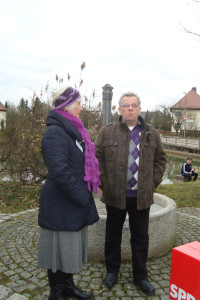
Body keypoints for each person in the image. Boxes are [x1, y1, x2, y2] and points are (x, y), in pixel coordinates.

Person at [95, 91, 166, 296]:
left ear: (139, 108)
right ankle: (112, 271)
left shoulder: (151, 133)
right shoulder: (106, 132)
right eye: (126, 105)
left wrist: (152, 183)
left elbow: (161, 160)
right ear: (119, 109)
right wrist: (104, 183)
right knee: (113, 236)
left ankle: (140, 276)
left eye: (134, 105)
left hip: (141, 198)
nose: (130, 108)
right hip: (115, 196)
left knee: (140, 238)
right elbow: (95, 159)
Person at [38, 86, 101, 300]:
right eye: (79, 104)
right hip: (60, 203)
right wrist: (82, 196)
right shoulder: (55, 132)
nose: (81, 108)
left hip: (70, 202)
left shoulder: (74, 131)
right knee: (58, 250)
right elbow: (60, 172)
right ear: (67, 106)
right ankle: (56, 293)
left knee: (67, 249)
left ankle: (68, 286)